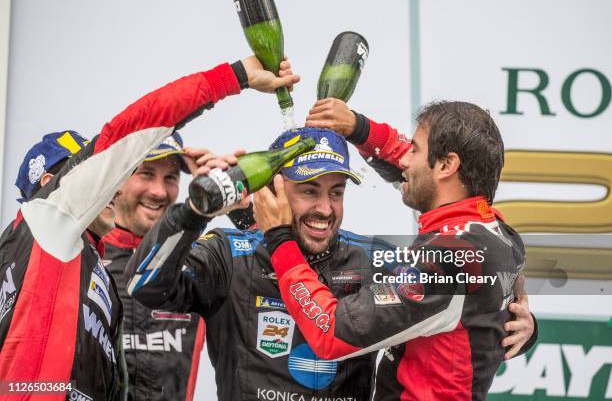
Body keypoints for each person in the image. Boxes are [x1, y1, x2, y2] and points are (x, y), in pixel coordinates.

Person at [125, 127, 535, 400]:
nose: (325, 209)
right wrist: (196, 211)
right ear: (274, 189)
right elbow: (144, 285)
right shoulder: (230, 253)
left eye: (336, 192)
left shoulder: (373, 257)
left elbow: (458, 309)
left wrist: (522, 328)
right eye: (308, 191)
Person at [0, 56, 298, 400]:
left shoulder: (82, 268)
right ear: (52, 185)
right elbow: (128, 131)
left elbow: (261, 278)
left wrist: (232, 207)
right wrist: (235, 75)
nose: (115, 184)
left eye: (170, 177)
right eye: (110, 175)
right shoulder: (48, 223)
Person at [253, 101, 535, 400]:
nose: (405, 161)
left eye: (414, 150)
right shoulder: (497, 233)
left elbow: (330, 330)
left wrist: (280, 237)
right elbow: (482, 315)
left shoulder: (452, 260)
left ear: (446, 165)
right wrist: (358, 128)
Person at [102, 132, 209, 400]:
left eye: (170, 178)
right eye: (147, 174)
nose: (159, 191)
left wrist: (236, 203)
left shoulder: (198, 261)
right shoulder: (84, 257)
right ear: (118, 178)